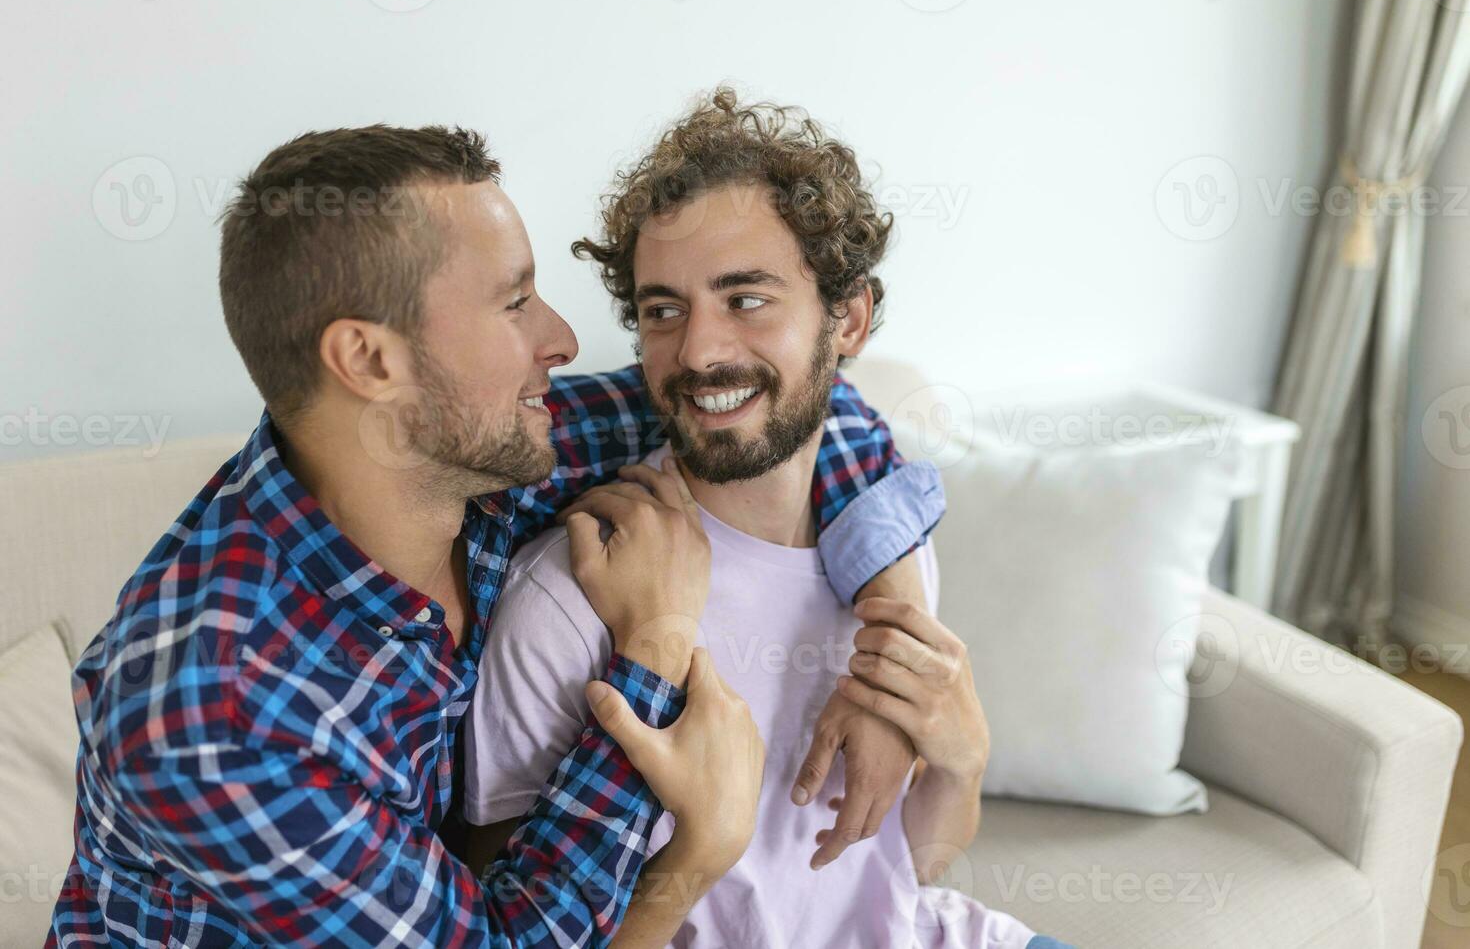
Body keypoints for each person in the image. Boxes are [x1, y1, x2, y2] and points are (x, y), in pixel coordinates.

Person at [48, 124, 942, 947]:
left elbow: (794, 403)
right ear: (370, 361)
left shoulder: (472, 453)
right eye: (515, 302)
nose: (560, 338)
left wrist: (892, 652)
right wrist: (656, 649)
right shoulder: (214, 719)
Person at [464, 90, 1072, 948]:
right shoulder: (570, 597)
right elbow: (514, 923)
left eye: (746, 299)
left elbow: (907, 865)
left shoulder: (886, 548)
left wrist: (963, 759)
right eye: (663, 310)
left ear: (849, 318)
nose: (701, 350)